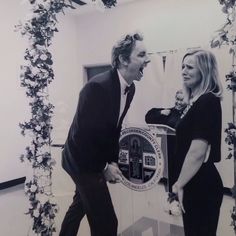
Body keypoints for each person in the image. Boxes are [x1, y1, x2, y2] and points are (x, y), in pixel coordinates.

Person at [59, 33, 150, 236]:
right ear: (123, 59)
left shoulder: (130, 88)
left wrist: (113, 161)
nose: (148, 59)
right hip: (80, 161)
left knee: (79, 206)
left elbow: (113, 130)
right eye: (142, 54)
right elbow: (81, 138)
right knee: (107, 223)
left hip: (92, 158)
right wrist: (103, 167)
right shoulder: (96, 87)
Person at [171, 49, 224, 236]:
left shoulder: (207, 101)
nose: (184, 71)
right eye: (183, 67)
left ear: (204, 71)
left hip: (202, 185)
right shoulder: (195, 101)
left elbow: (197, 152)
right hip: (194, 182)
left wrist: (178, 185)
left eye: (190, 67)